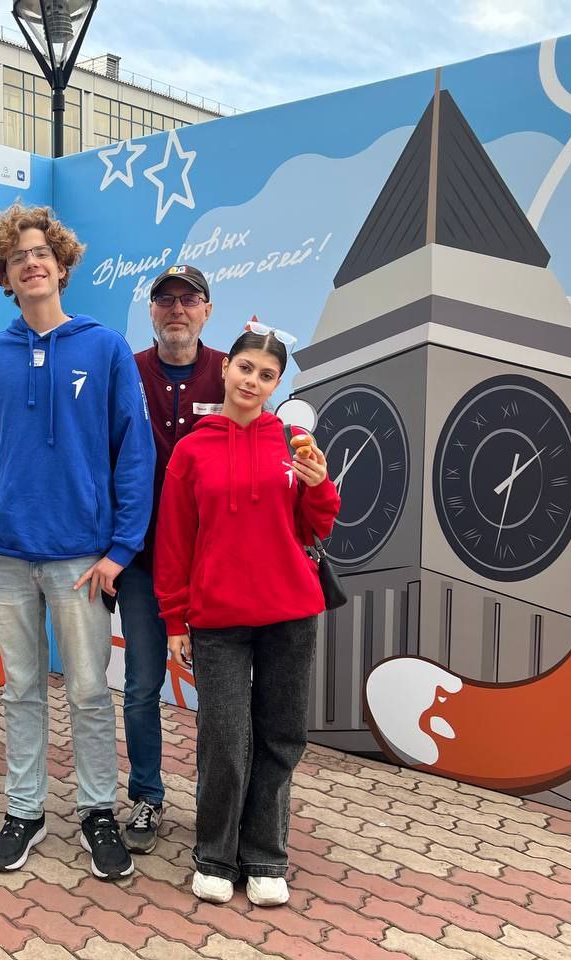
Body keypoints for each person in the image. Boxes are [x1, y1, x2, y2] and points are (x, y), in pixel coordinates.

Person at [0, 202, 155, 881]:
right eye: (17, 258)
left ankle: (97, 811)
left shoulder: (104, 347)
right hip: (5, 554)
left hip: (81, 559)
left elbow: (134, 453)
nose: (30, 263)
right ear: (4, 277)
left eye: (40, 253)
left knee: (90, 691)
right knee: (22, 689)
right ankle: (24, 810)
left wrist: (121, 549)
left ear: (62, 266)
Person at [154, 326, 341, 907]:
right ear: (226, 367)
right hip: (218, 620)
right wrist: (175, 621)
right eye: (245, 368)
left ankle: (265, 855)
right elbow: (174, 541)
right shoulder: (192, 450)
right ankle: (215, 853)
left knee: (280, 736)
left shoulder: (294, 443)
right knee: (225, 740)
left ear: (277, 384)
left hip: (290, 613)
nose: (252, 381)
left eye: (266, 375)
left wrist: (320, 486)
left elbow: (316, 525)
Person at [119, 264, 226, 853]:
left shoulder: (230, 373)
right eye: (166, 300)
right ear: (152, 311)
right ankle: (146, 796)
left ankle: (218, 804)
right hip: (141, 561)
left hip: (212, 564)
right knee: (141, 686)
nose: (177, 310)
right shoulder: (127, 370)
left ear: (207, 310)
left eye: (189, 300)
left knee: (220, 693)